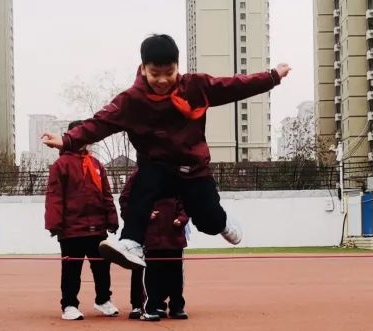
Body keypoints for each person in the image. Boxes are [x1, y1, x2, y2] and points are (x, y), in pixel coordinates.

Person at [41, 33, 289, 270]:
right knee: (141, 189)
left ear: (177, 67)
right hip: (157, 165)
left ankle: (222, 222)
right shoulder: (131, 101)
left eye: (168, 73)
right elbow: (100, 123)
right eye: (154, 74)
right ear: (143, 69)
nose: (162, 80)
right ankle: (131, 243)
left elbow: (233, 86)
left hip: (193, 169)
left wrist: (272, 77)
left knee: (208, 222)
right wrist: (67, 140)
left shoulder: (195, 87)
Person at [44, 122, 120, 320]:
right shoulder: (61, 165)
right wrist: (55, 224)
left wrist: (112, 219)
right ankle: (69, 305)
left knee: (102, 267)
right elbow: (54, 196)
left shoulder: (96, 165)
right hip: (71, 230)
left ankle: (103, 300)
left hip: (97, 228)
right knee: (72, 269)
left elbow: (106, 195)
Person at [120, 169, 190, 321]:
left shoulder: (176, 175)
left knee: (175, 273)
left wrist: (182, 218)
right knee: (149, 273)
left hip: (173, 236)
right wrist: (143, 214)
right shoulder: (139, 175)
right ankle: (146, 305)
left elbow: (186, 202)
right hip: (150, 236)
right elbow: (125, 200)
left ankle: (175, 306)